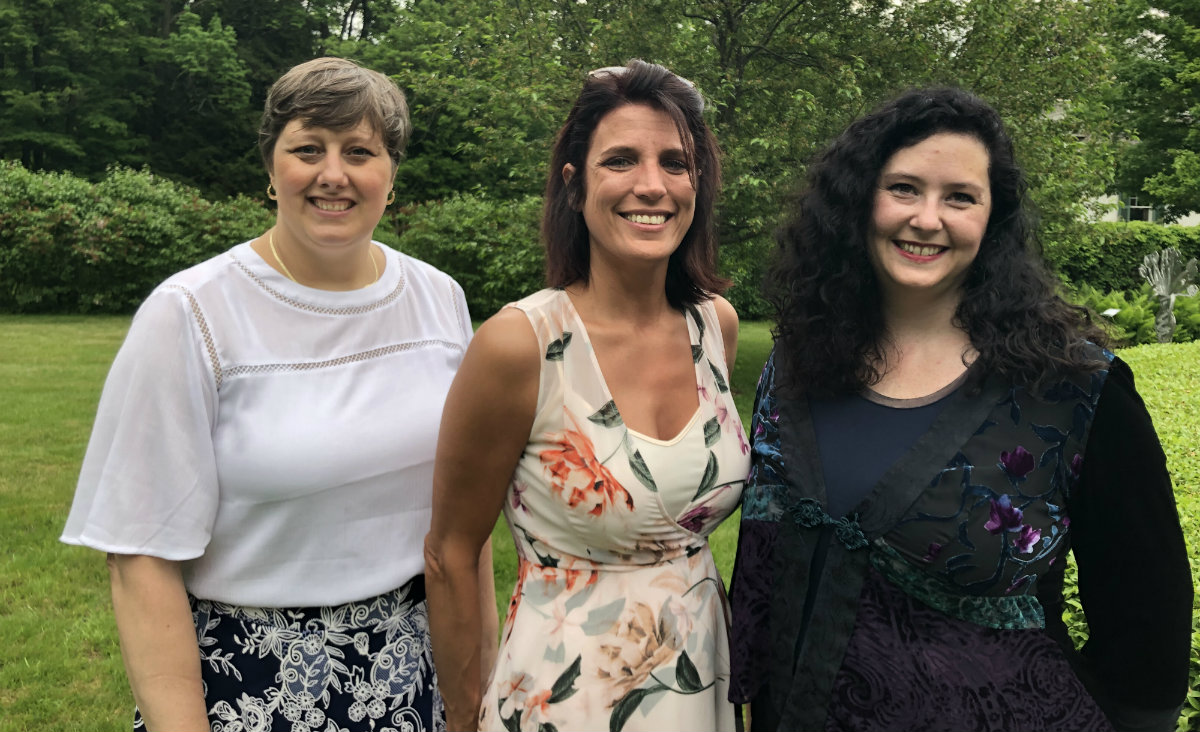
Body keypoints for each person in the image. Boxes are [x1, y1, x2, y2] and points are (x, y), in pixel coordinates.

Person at [727, 86, 1193, 732]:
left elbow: (1149, 636)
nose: (927, 218)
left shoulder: (1073, 390)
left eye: (960, 197)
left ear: (992, 218)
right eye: (904, 189)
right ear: (860, 201)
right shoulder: (796, 368)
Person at [61, 56, 495, 731]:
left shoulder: (439, 299)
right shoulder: (190, 312)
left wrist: (475, 700)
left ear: (390, 172)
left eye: (360, 151)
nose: (333, 174)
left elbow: (466, 522)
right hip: (245, 683)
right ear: (271, 168)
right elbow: (141, 555)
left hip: (409, 678)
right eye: (308, 149)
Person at [424, 60, 749, 732]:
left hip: (700, 684)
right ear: (576, 186)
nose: (651, 185)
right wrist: (461, 718)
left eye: (675, 163)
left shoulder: (714, 326)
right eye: (621, 160)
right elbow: (451, 551)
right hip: (566, 696)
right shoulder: (522, 345)